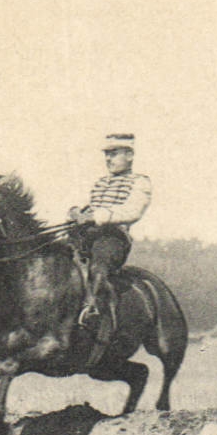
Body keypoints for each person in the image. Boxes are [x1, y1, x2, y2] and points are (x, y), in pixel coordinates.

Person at [67, 132, 153, 329]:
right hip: (86, 235)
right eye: (107, 154)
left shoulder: (140, 182)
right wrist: (75, 213)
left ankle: (92, 310)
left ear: (129, 155)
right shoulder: (100, 183)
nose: (108, 159)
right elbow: (85, 206)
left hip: (112, 238)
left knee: (99, 266)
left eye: (114, 154)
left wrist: (95, 217)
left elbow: (132, 211)